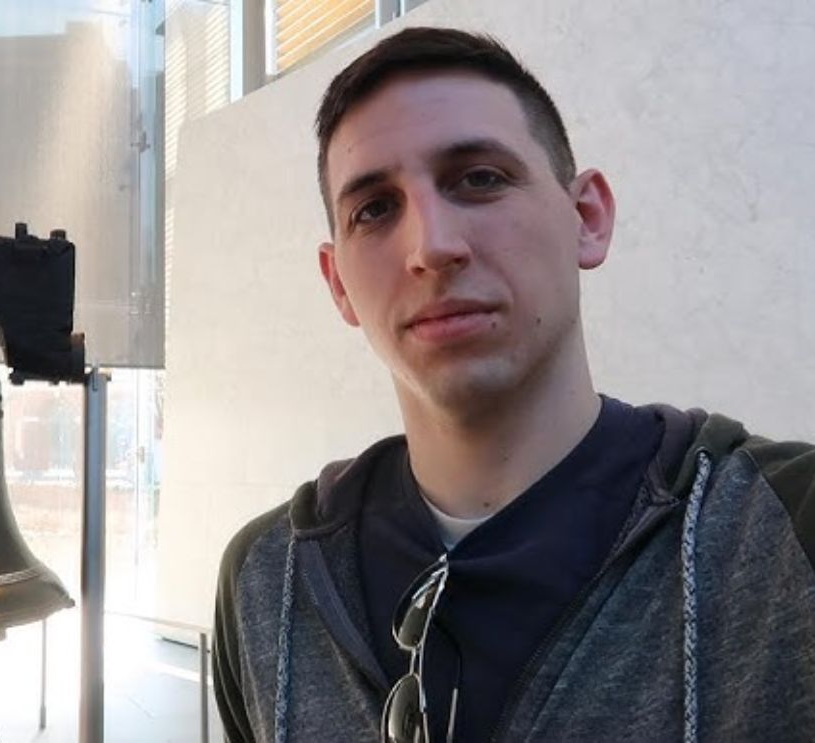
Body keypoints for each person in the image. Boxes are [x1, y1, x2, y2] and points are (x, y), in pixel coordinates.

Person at [211, 26, 815, 743]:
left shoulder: (784, 531)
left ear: (586, 218)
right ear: (337, 282)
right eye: (374, 208)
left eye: (479, 178)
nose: (431, 246)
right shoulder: (267, 582)